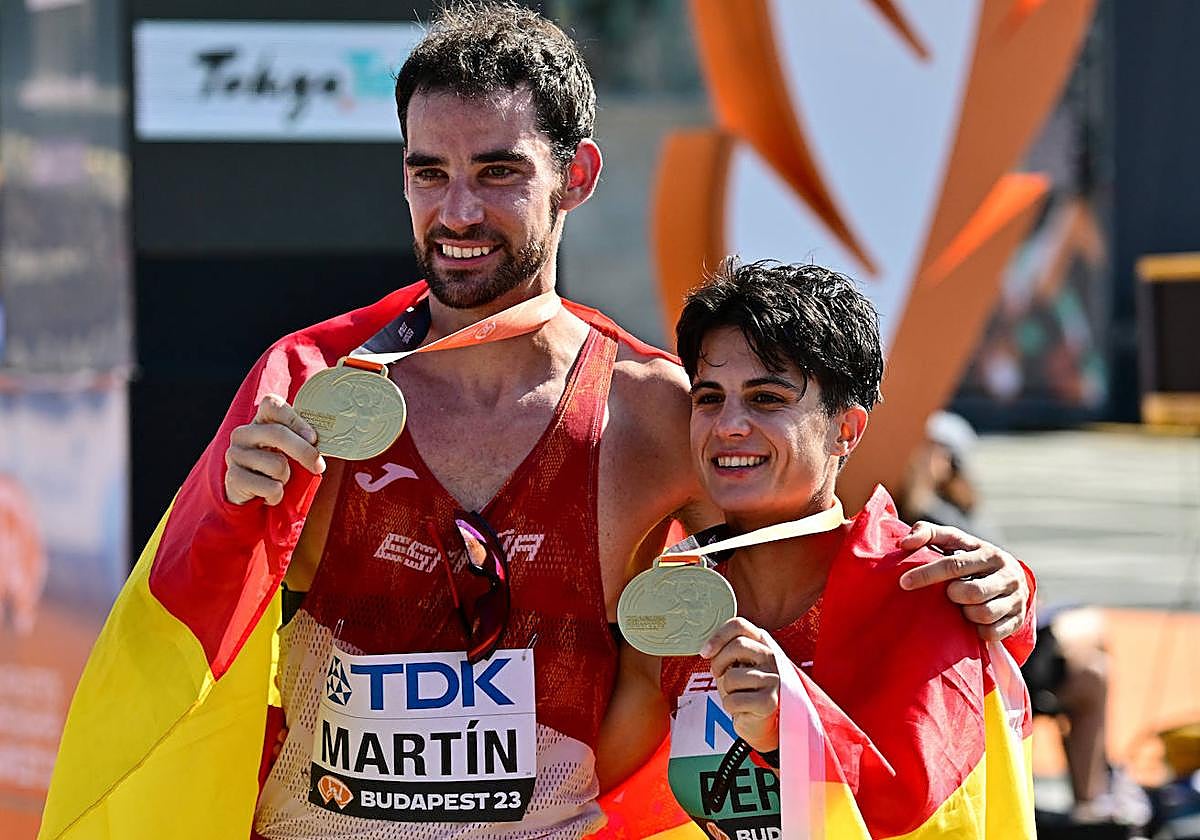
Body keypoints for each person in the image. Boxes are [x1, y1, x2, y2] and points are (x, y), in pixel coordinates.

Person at [41, 4, 1034, 839]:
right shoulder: (312, 383)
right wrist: (228, 507)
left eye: (499, 171)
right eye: (429, 172)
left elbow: (826, 556)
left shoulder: (654, 413)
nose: (458, 209)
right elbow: (177, 630)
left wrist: (999, 589)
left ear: (579, 176)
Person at [598, 259, 1035, 838]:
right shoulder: (670, 607)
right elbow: (599, 797)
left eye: (767, 398)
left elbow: (919, 812)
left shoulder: (920, 589)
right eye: (708, 398)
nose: (728, 425)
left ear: (846, 431)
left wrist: (792, 730)